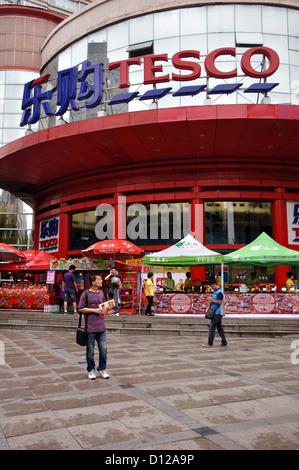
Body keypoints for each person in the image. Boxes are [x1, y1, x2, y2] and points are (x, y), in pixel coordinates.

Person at [78, 273, 109, 380]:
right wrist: (94, 310)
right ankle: (91, 370)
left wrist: (108, 310)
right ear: (93, 282)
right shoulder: (85, 294)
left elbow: (103, 307)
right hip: (90, 328)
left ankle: (102, 369)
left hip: (101, 327)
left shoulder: (101, 293)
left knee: (103, 349)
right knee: (90, 351)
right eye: (99, 280)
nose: (101, 281)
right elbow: (80, 308)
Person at [203, 279, 227, 348]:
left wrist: (212, 300)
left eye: (211, 286)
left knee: (212, 327)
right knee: (219, 328)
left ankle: (210, 343)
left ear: (214, 284)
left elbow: (219, 302)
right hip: (216, 312)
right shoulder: (216, 292)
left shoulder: (219, 292)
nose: (211, 288)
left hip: (218, 312)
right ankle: (224, 342)